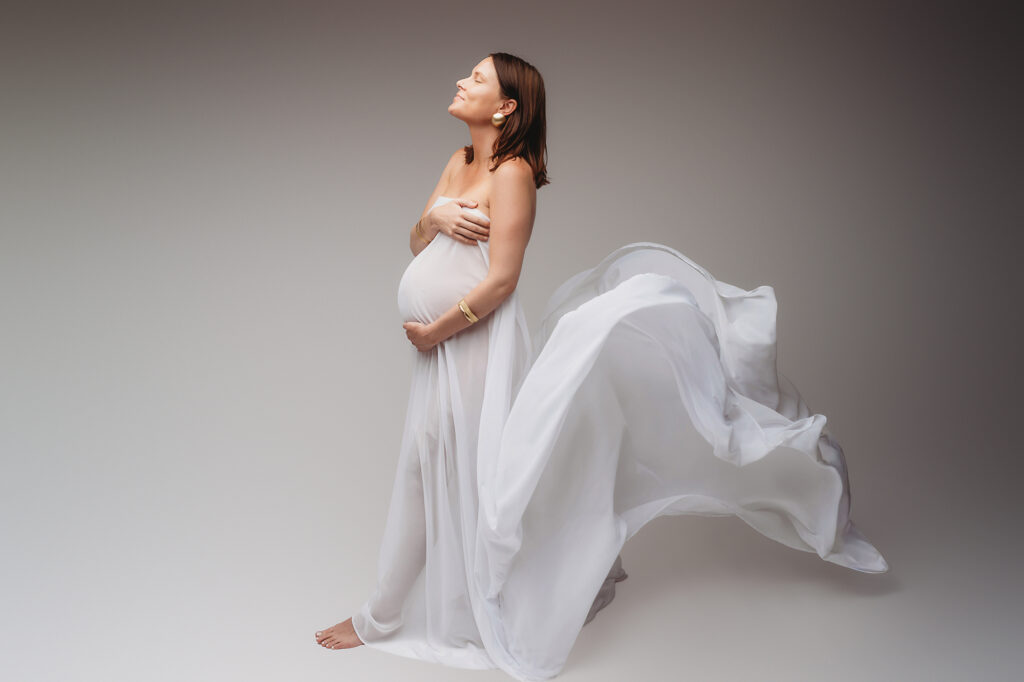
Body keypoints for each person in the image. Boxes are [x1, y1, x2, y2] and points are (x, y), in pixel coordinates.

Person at [315, 52, 888, 681]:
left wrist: (436, 331)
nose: (461, 80)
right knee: (426, 467)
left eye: (477, 78)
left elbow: (503, 279)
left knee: (472, 476)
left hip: (469, 342)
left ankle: (424, 612)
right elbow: (418, 241)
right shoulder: (460, 162)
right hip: (439, 347)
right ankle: (385, 612)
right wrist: (436, 217)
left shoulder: (513, 175)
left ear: (506, 107)